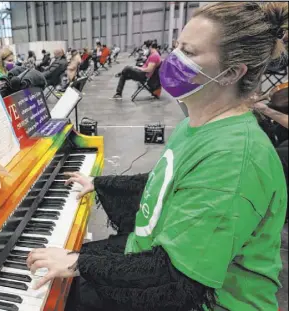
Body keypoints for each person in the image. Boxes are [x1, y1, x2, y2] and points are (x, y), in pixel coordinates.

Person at [26, 2, 288, 311]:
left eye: (188, 53)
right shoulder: (195, 124)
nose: (172, 59)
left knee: (62, 290)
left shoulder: (234, 159)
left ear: (231, 72)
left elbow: (177, 279)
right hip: (159, 256)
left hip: (202, 298)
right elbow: (165, 186)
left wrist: (75, 263)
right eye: (176, 47)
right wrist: (98, 183)